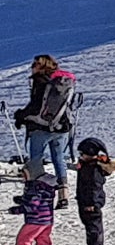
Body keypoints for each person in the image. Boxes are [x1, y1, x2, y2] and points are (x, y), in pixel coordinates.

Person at [15, 55, 76, 193]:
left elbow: (35, 106)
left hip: (41, 128)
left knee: (36, 160)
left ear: (42, 66)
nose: (32, 67)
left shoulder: (41, 81)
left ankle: (36, 192)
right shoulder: (64, 81)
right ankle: (63, 192)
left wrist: (21, 116)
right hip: (62, 127)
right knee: (59, 159)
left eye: (35, 64)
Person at [73, 139, 115, 245]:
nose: (80, 156)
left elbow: (94, 187)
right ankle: (92, 243)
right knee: (88, 221)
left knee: (93, 223)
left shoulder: (93, 169)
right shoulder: (87, 166)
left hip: (91, 201)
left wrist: (92, 203)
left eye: (82, 154)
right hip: (85, 199)